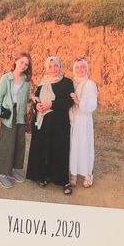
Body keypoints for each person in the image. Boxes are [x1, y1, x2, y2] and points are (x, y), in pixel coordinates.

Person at [26, 56, 75, 193]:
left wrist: (51, 104)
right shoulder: (43, 83)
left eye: (56, 66)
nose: (53, 69)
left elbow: (68, 102)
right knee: (45, 149)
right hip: (43, 122)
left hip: (59, 123)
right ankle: (45, 175)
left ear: (60, 67)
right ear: (47, 68)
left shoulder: (67, 82)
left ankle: (63, 181)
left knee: (60, 150)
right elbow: (36, 99)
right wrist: (38, 105)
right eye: (50, 66)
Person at [0, 53, 32, 189]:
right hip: (8, 115)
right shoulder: (6, 78)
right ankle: (3, 175)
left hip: (20, 115)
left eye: (26, 64)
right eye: (22, 62)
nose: (24, 66)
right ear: (15, 61)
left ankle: (13, 171)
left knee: (19, 143)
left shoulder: (26, 81)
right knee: (6, 144)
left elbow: (26, 98)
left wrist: (32, 98)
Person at [69, 57, 98, 190]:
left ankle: (87, 174)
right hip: (74, 119)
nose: (80, 70)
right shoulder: (72, 84)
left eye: (82, 67)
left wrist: (79, 101)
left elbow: (92, 104)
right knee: (74, 146)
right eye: (77, 67)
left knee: (85, 145)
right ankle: (74, 173)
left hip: (84, 120)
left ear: (86, 68)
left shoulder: (90, 84)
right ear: (74, 69)